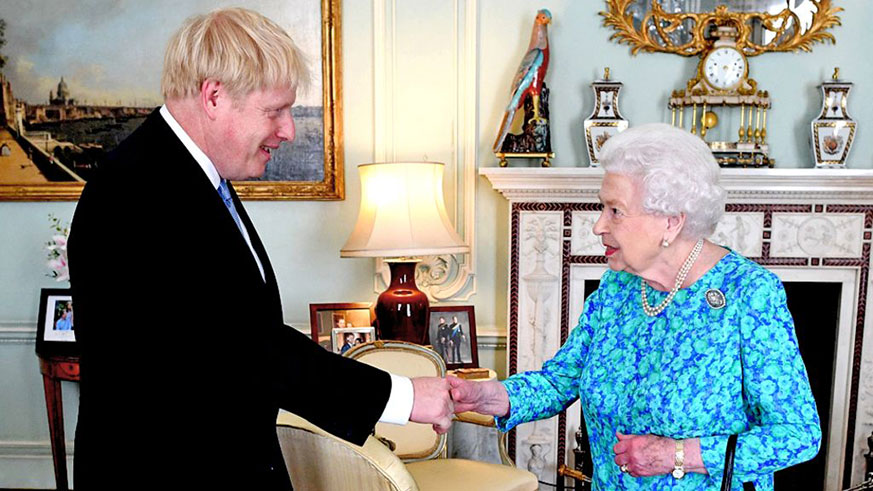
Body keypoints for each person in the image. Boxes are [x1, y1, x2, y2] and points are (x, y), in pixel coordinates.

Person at [68, 8, 452, 490]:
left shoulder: (188, 176)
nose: (289, 130)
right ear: (213, 96)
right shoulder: (138, 189)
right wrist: (401, 396)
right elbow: (242, 348)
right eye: (275, 111)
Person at [449, 123, 821, 490]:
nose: (598, 226)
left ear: (671, 223)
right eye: (603, 208)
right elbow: (559, 380)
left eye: (615, 211)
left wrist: (680, 454)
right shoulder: (619, 285)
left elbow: (798, 434)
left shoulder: (748, 293)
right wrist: (494, 397)